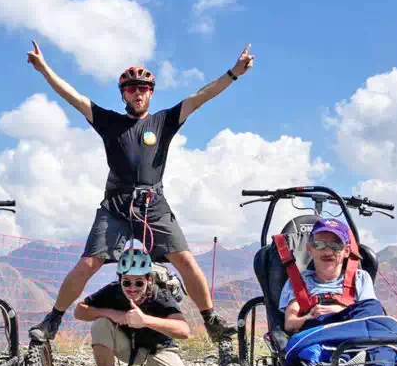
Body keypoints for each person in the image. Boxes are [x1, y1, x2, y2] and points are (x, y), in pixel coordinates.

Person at [25, 39, 256, 344]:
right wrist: (44, 70)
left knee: (185, 261)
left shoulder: (164, 121)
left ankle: (210, 320)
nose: (138, 92)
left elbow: (201, 96)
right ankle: (53, 320)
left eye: (143, 88)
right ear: (123, 94)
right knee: (88, 263)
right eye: (131, 88)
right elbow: (74, 97)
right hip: (116, 207)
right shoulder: (109, 122)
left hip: (153, 204)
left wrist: (234, 73)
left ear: (151, 93)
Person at [280, 218, 397, 366]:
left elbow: (371, 316)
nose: (327, 251)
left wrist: (341, 309)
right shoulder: (299, 282)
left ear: (346, 251)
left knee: (374, 308)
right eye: (320, 244)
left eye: (335, 245)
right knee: (373, 318)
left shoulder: (360, 277)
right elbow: (289, 323)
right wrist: (309, 315)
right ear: (310, 248)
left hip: (356, 327)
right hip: (320, 329)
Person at [73, 247, 202, 366]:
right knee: (100, 324)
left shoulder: (160, 296)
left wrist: (145, 321)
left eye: (139, 283)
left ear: (149, 279)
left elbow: (184, 331)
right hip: (127, 346)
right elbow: (80, 311)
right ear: (120, 279)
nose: (132, 288)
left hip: (159, 350)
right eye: (126, 282)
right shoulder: (113, 291)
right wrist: (112, 313)